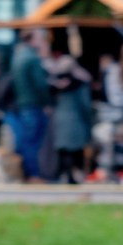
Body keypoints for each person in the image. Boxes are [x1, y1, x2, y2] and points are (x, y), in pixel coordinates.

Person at [10, 28, 52, 181]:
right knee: (33, 142)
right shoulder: (32, 58)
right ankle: (33, 174)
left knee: (26, 140)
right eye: (40, 38)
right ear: (32, 39)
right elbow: (40, 84)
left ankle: (26, 173)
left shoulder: (18, 56)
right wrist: (47, 103)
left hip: (23, 104)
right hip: (34, 104)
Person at [45, 54, 93, 184]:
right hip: (75, 119)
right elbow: (85, 105)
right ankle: (73, 175)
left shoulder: (53, 82)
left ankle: (63, 174)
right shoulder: (80, 83)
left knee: (63, 150)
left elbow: (49, 101)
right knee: (75, 150)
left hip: (59, 119)